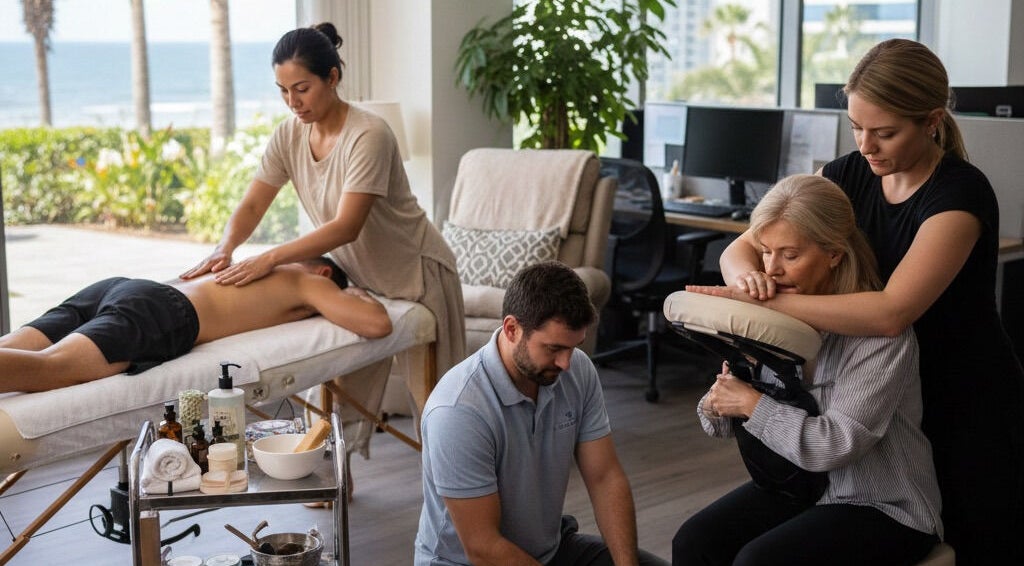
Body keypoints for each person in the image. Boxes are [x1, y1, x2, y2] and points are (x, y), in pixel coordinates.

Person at [696, 39, 1024, 564]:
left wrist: (770, 308)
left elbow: (891, 312)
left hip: (962, 398)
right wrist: (746, 286)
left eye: (885, 132)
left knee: (976, 542)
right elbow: (747, 244)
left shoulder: (959, 194)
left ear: (932, 121)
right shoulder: (849, 173)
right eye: (856, 127)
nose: (866, 145)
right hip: (872, 384)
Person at [180, 22, 465, 392]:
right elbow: (252, 205)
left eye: (302, 89)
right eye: (283, 91)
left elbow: (347, 226)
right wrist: (225, 248)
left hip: (418, 273)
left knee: (437, 408)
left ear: (332, 78)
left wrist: (269, 258)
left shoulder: (369, 135)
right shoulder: (289, 134)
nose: (293, 102)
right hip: (361, 277)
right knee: (343, 404)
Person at [673, 174, 942, 565]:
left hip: (882, 505)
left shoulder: (881, 339)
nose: (772, 269)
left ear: (833, 253)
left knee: (759, 561)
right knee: (695, 541)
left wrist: (750, 403)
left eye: (790, 255)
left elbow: (831, 445)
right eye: (765, 252)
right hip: (801, 489)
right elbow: (717, 425)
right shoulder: (774, 324)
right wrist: (722, 398)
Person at [414, 261, 666, 566]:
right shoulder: (457, 411)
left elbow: (604, 477)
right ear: (511, 329)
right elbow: (483, 546)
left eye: (574, 347)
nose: (566, 363)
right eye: (553, 348)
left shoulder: (577, 370)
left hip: (549, 552)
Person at [0, 257, 392, 393]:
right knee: (52, 368)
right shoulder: (309, 279)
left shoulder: (252, 264)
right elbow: (377, 324)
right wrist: (357, 294)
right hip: (163, 309)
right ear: (324, 271)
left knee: (14, 347)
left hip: (120, 287)